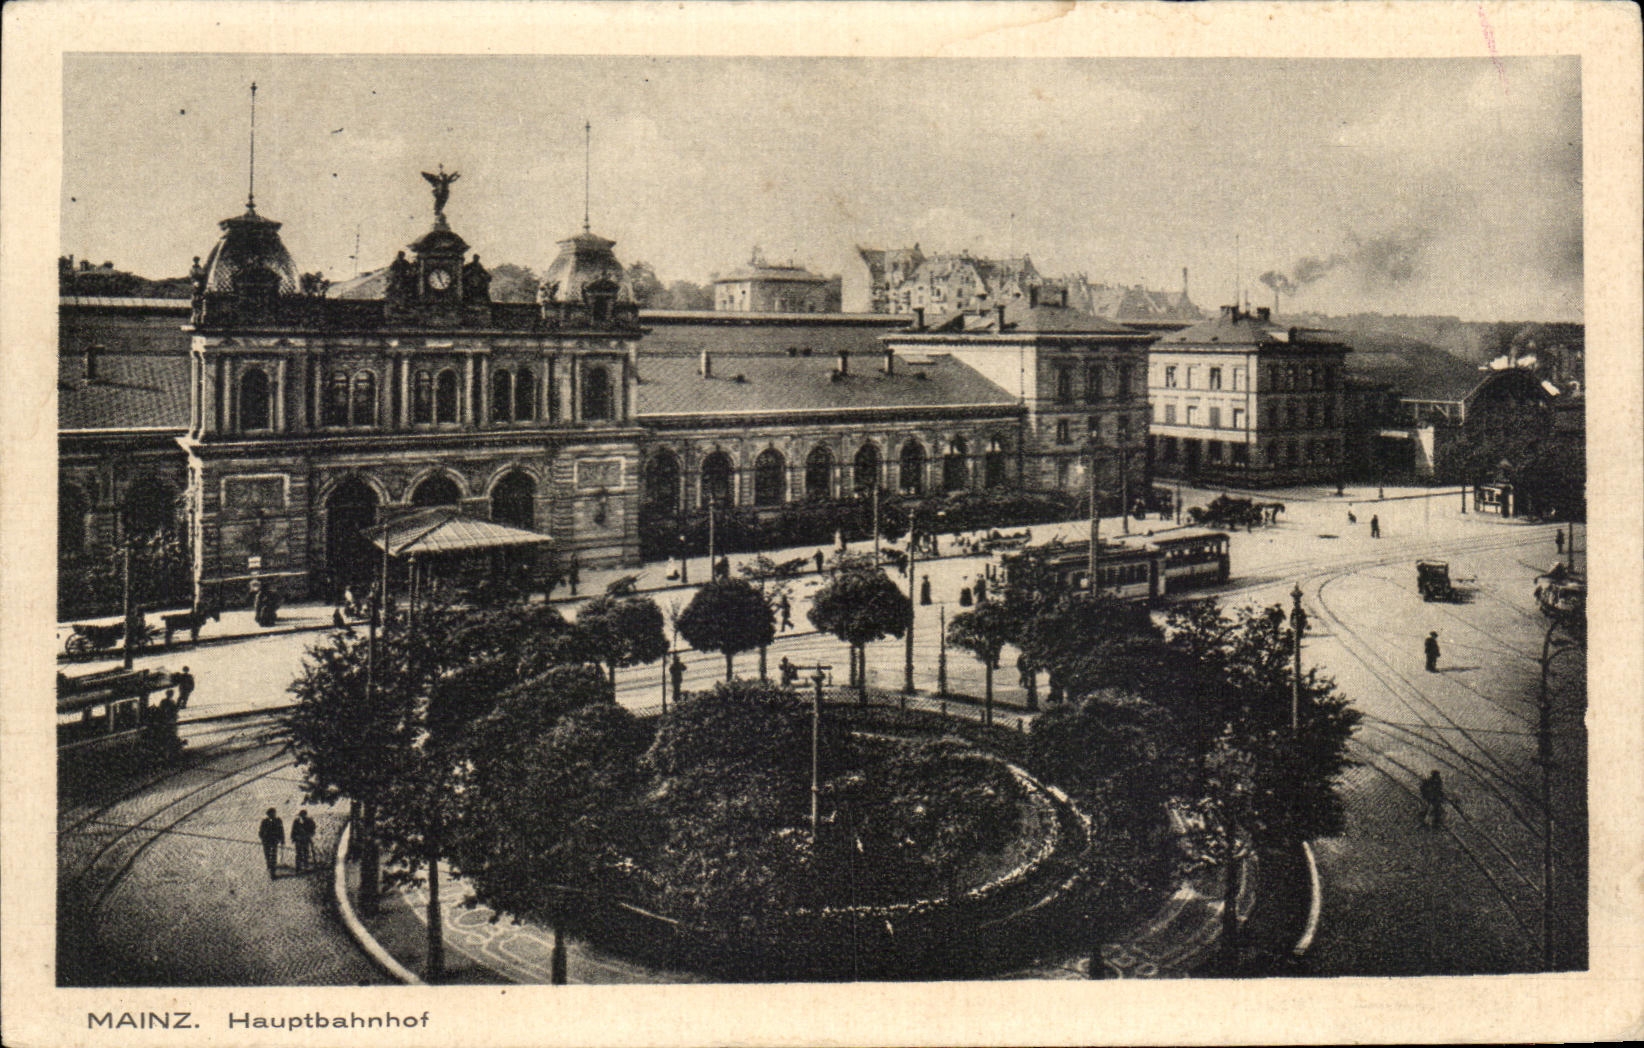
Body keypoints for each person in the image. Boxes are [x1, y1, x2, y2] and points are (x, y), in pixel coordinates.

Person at [258, 808, 285, 879]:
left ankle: (273, 872)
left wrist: (282, 840)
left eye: (273, 813)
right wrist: (263, 837)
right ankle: (269, 866)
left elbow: (281, 831)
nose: (272, 815)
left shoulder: (278, 821)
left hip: (274, 841)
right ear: (268, 815)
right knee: (267, 855)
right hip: (266, 841)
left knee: (273, 856)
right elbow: (260, 831)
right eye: (270, 814)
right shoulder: (264, 821)